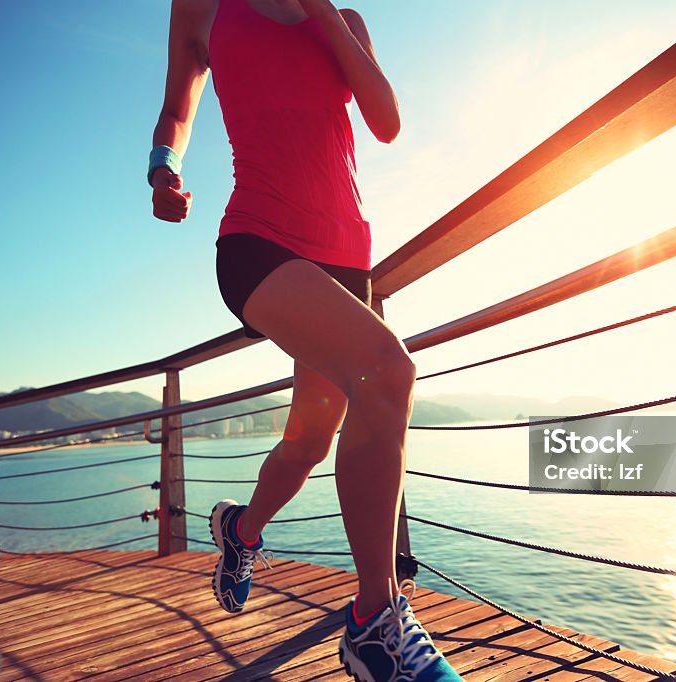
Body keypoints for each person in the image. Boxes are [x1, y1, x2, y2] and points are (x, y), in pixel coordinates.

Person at [149, 0, 463, 680]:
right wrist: (161, 166)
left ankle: (240, 530)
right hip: (257, 241)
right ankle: (374, 622)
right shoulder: (203, 9)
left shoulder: (342, 18)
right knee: (389, 372)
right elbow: (178, 106)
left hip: (347, 259)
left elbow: (386, 122)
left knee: (308, 443)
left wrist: (322, 11)